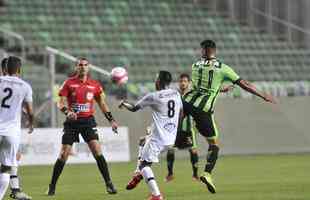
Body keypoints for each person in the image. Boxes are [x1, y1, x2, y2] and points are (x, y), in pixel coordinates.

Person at [183, 39, 276, 193]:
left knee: (168, 130)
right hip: (203, 110)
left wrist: (220, 89)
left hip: (185, 103)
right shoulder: (223, 68)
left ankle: (145, 160)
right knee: (214, 144)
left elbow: (201, 87)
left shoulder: (195, 65)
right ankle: (207, 174)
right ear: (214, 50)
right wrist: (263, 95)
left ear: (203, 51)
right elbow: (244, 84)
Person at [46, 58, 118, 196]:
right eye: (80, 65)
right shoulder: (68, 83)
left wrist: (112, 121)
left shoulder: (95, 85)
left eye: (85, 65)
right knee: (63, 155)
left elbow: (102, 104)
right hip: (72, 122)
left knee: (97, 151)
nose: (83, 67)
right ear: (76, 67)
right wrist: (67, 112)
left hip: (88, 122)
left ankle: (109, 184)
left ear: (89, 68)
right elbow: (60, 103)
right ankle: (52, 186)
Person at [119, 71, 183, 200]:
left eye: (156, 78)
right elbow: (181, 112)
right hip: (171, 138)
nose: (155, 81)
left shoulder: (153, 96)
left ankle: (156, 195)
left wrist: (124, 103)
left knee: (145, 165)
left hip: (158, 139)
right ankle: (137, 175)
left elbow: (134, 108)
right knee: (143, 141)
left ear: (158, 81)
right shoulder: (176, 94)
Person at [165, 73, 234, 182]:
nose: (183, 83)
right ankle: (170, 174)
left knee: (193, 151)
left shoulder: (192, 93)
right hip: (175, 130)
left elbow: (206, 91)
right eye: (181, 81)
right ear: (178, 83)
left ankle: (195, 175)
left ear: (188, 83)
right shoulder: (175, 95)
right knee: (170, 150)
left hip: (188, 129)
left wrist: (221, 90)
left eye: (185, 81)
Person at [0, 56, 34, 200]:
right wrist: (31, 123)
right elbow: (30, 111)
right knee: (6, 169)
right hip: (10, 133)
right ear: (19, 69)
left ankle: (16, 190)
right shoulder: (25, 86)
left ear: (4, 69)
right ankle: (13, 191)